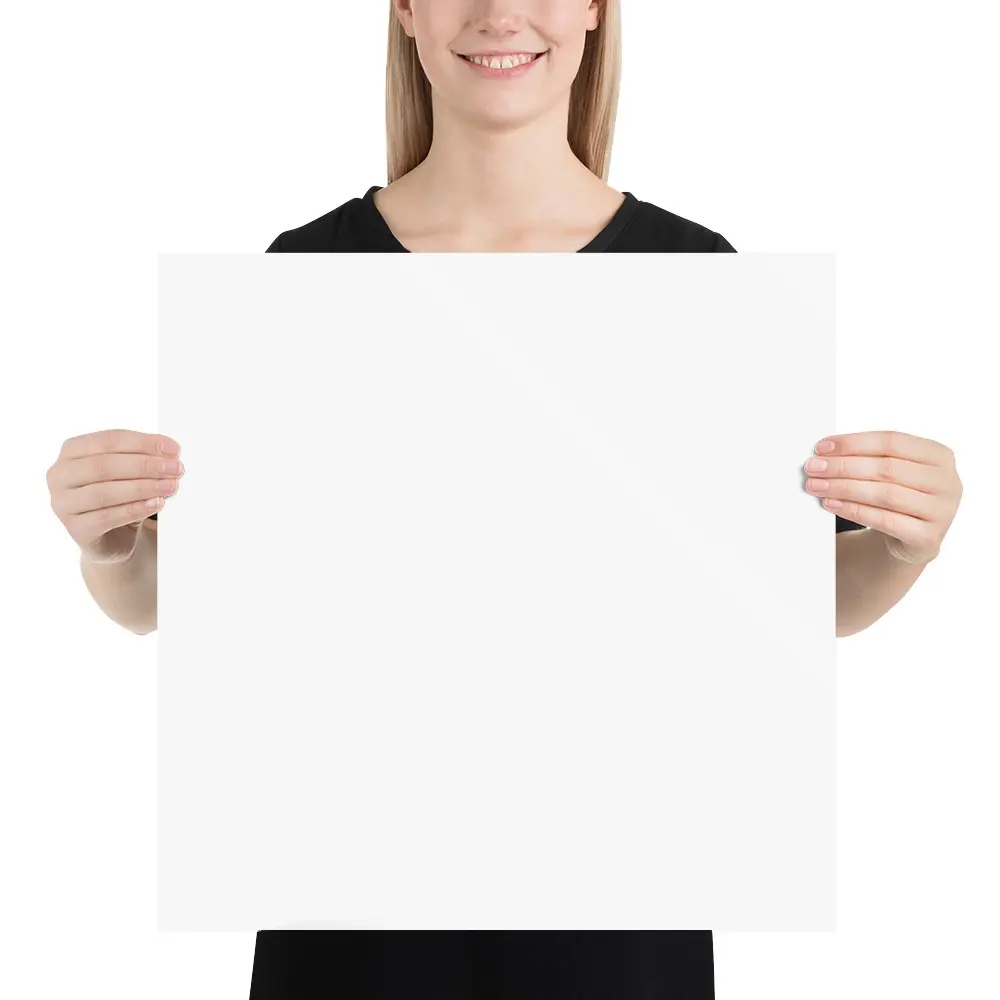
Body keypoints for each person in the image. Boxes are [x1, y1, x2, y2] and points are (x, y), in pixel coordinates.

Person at [45, 1, 964, 997]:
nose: (499, 12)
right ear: (404, 9)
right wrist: (111, 545)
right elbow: (182, 604)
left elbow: (790, 607)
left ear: (594, 9)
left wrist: (905, 544)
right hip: (352, 919)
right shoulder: (303, 275)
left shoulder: (697, 279)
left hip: (619, 920)